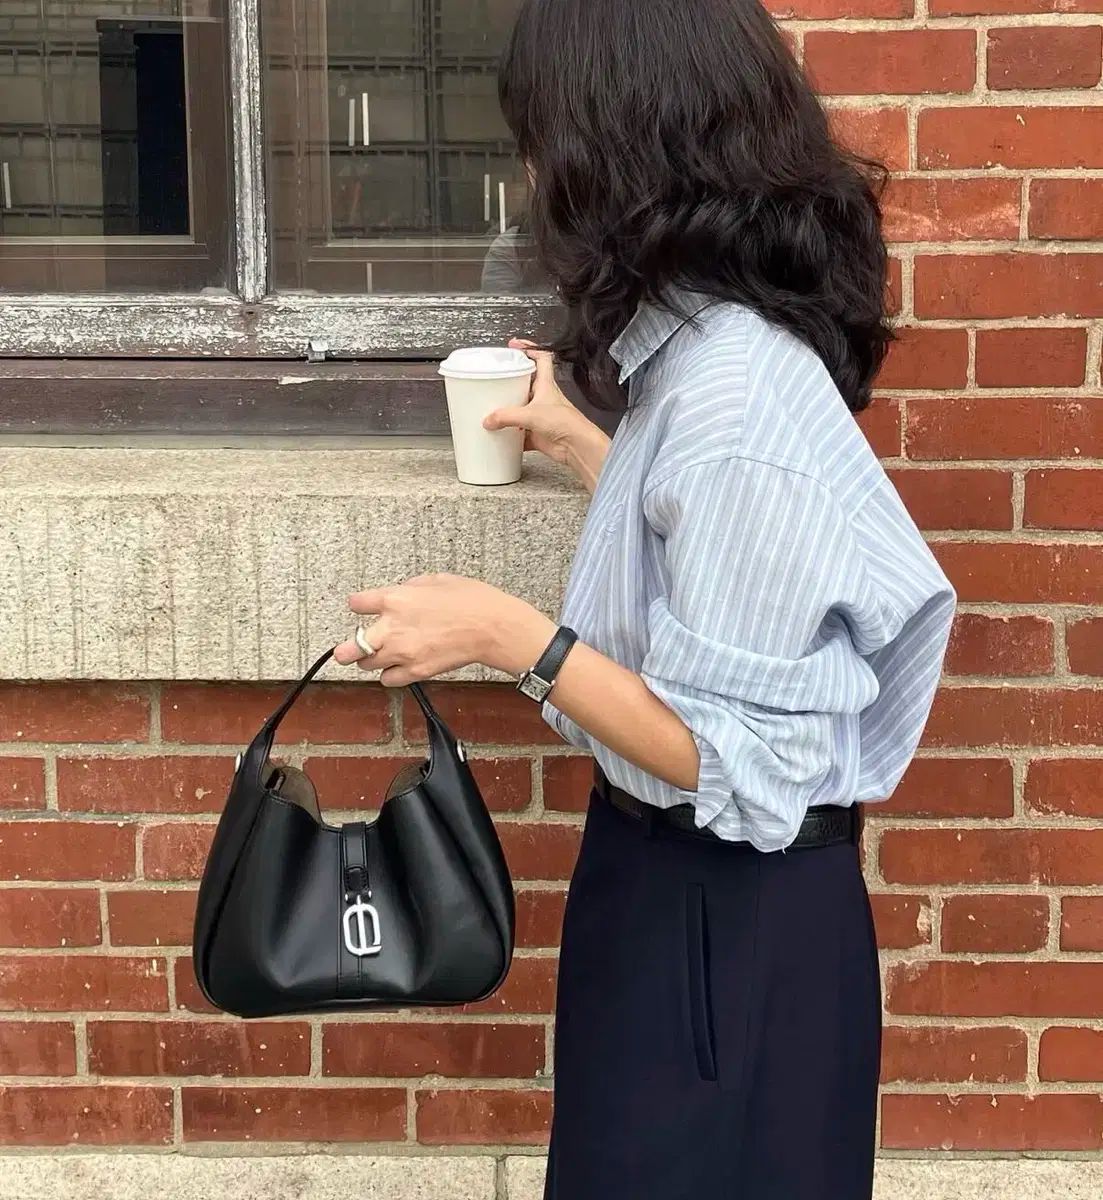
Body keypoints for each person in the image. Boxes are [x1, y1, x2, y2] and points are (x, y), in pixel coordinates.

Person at [334, 0, 956, 1195]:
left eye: (537, 140)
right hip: (680, 894)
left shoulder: (734, 398)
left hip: (723, 919)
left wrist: (504, 633)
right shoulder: (700, 359)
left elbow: (728, 755)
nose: (528, 178)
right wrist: (587, 445)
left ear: (610, 150)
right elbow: (707, 565)